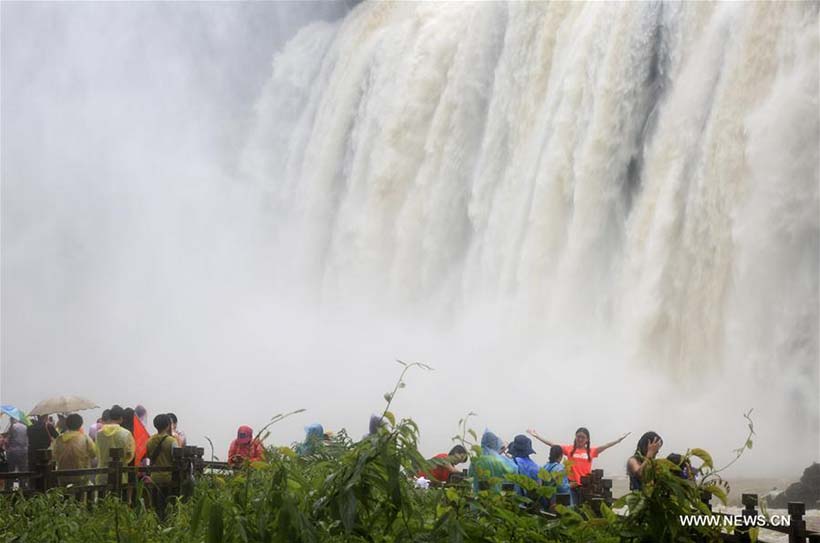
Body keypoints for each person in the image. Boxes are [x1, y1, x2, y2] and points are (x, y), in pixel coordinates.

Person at [528, 427, 629, 486]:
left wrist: (619, 439)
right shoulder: (569, 449)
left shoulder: (591, 451)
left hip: (585, 484)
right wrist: (537, 436)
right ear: (575, 437)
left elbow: (606, 445)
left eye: (583, 437)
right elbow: (553, 445)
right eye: (578, 436)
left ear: (587, 439)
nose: (580, 439)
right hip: (571, 484)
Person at [51, 414, 97, 486]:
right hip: (81, 475)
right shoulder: (85, 438)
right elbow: (94, 454)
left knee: (64, 495)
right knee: (81, 495)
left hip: (63, 475)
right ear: (80, 424)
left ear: (67, 424)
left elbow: (53, 455)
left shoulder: (59, 439)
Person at [96, 405, 135, 484]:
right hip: (120, 475)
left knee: (102, 496)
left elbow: (96, 452)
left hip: (102, 473)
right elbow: (130, 454)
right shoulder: (126, 433)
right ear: (121, 419)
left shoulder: (99, 433)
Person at [145, 414, 178, 486]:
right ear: (168, 425)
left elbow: (148, 456)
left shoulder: (149, 440)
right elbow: (176, 459)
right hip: (168, 477)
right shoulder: (172, 441)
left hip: (153, 477)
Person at [4, 417, 28, 487]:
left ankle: (9, 489)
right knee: (23, 471)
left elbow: (7, 441)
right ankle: (23, 489)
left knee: (11, 471)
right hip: (24, 451)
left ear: (12, 419)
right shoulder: (25, 427)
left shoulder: (13, 427)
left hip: (13, 451)